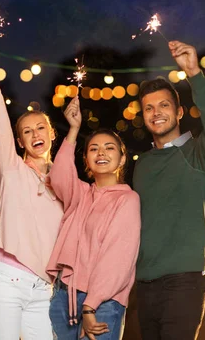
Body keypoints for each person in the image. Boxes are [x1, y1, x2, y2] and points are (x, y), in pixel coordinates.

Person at [133, 41, 205, 340]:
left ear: (179, 111)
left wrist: (194, 73)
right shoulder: (142, 164)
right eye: (148, 108)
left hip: (185, 280)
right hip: (145, 283)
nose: (156, 113)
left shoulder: (199, 153)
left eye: (163, 105)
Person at [0, 45, 64, 339]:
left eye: (41, 128)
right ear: (19, 140)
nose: (35, 134)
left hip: (43, 289)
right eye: (27, 131)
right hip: (6, 282)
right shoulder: (12, 170)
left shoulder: (66, 182)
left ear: (52, 134)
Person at [47, 98, 141, 340]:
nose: (101, 152)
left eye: (110, 148)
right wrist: (74, 130)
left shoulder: (127, 200)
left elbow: (117, 259)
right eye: (93, 148)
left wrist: (91, 305)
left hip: (103, 303)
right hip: (64, 297)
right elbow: (57, 177)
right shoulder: (80, 193)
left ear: (122, 159)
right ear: (87, 160)